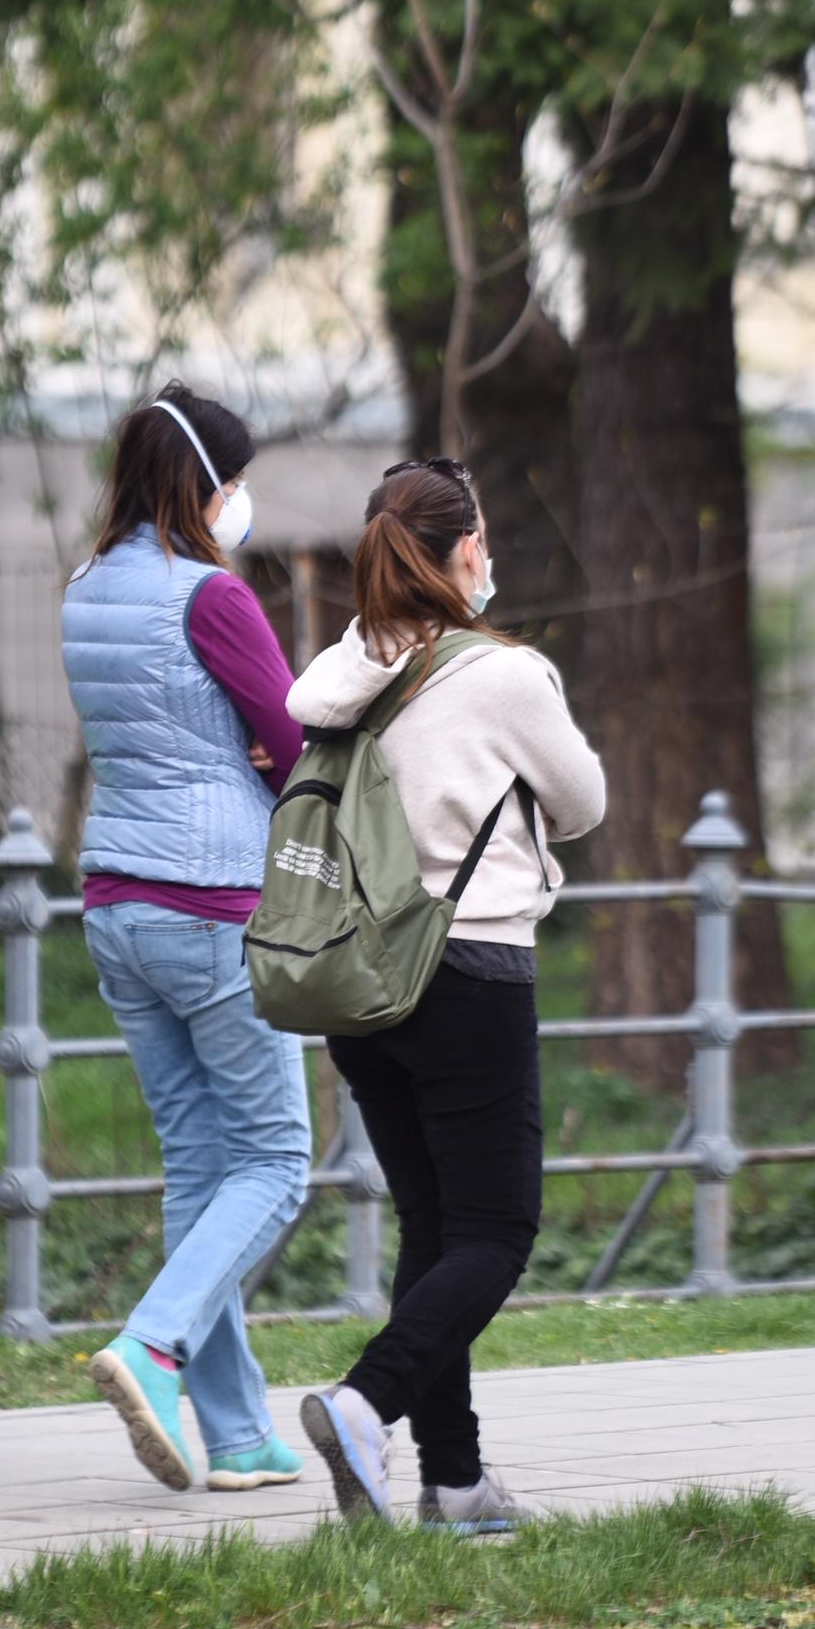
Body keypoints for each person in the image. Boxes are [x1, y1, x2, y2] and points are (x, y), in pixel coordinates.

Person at [287, 460, 604, 1532]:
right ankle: (364, 1403)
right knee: (495, 1230)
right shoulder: (502, 674)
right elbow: (583, 802)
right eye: (484, 537)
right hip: (465, 968)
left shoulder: (344, 666)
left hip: (356, 983)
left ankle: (456, 1483)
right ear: (463, 549)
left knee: (434, 1232)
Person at [60, 384, 313, 1493]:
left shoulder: (82, 592)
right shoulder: (212, 597)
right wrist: (269, 761)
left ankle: (238, 1434)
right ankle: (151, 1343)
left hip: (116, 901)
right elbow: (293, 743)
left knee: (200, 1162)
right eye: (237, 481)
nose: (244, 502)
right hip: (213, 902)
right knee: (276, 1160)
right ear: (206, 485)